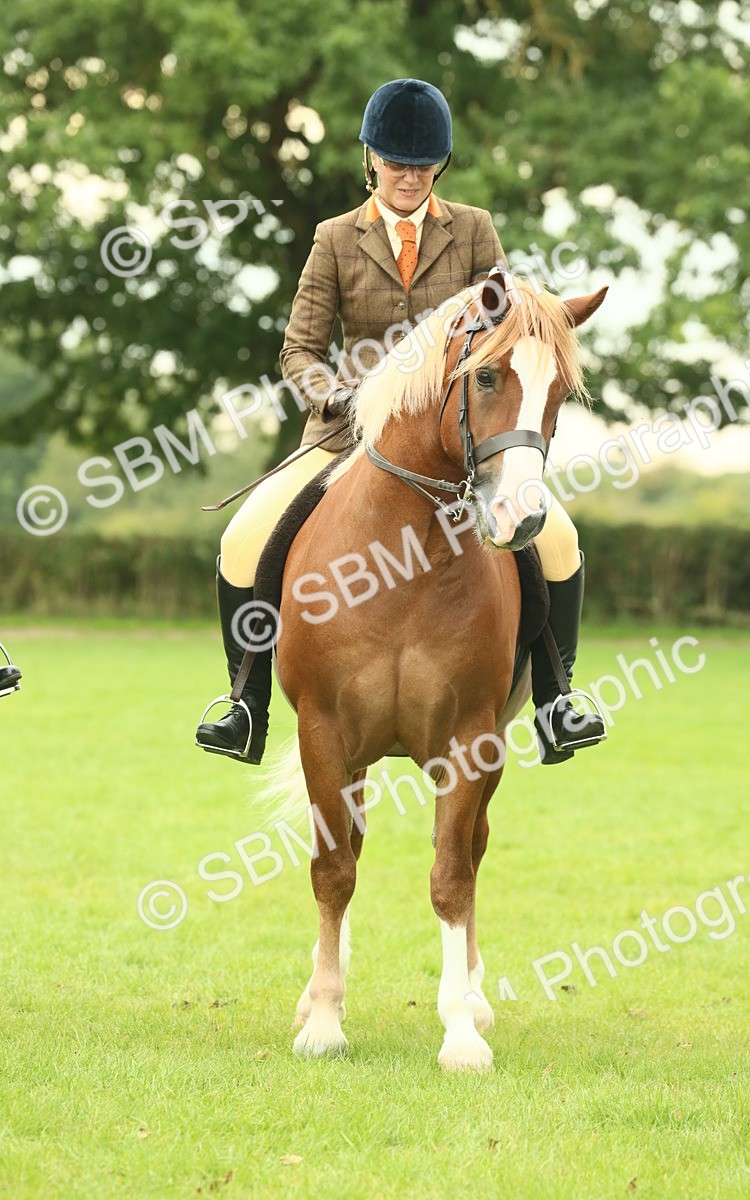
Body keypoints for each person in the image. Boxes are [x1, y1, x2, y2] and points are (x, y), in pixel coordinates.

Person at [195, 78, 606, 767]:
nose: (408, 177)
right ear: (370, 160)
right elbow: (299, 347)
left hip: (453, 446)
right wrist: (334, 394)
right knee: (243, 540)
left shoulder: (472, 229)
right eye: (395, 163)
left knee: (556, 539)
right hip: (345, 436)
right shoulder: (333, 239)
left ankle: (557, 700)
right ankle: (247, 705)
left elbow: (500, 328)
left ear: (438, 166)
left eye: (421, 165)